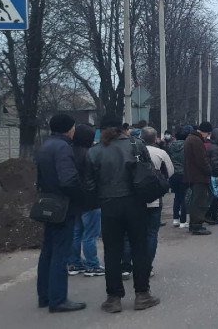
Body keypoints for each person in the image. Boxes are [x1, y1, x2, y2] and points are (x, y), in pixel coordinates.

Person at [85, 116, 159, 313]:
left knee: (112, 251)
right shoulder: (137, 144)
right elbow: (149, 171)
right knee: (139, 248)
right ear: (122, 128)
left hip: (109, 206)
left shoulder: (94, 151)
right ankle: (142, 295)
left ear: (101, 130)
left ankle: (113, 298)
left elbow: (89, 183)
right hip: (135, 204)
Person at [35, 114, 87, 313]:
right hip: (63, 207)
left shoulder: (45, 146)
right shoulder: (64, 148)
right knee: (60, 253)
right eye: (73, 127)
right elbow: (68, 180)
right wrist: (81, 196)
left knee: (47, 251)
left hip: (47, 203)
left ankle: (44, 296)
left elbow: (40, 178)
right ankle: (58, 299)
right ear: (68, 129)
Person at [122, 128, 174, 278]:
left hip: (132, 199)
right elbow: (169, 172)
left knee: (128, 234)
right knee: (151, 233)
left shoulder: (130, 150)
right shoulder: (161, 153)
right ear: (156, 138)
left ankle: (126, 267)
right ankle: (146, 266)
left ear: (141, 137)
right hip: (153, 199)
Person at [67, 124, 105, 278]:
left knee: (76, 233)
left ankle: (75, 263)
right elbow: (96, 178)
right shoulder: (89, 154)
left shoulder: (69, 152)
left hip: (74, 199)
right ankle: (92, 265)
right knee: (90, 234)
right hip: (91, 200)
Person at [184, 122, 214, 235]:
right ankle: (197, 225)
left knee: (195, 200)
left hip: (192, 175)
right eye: (209, 133)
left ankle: (194, 224)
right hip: (198, 176)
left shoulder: (190, 138)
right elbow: (202, 160)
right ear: (206, 131)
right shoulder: (196, 140)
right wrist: (209, 170)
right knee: (199, 201)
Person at [167, 127, 189, 228]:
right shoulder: (187, 146)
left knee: (177, 196)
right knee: (184, 197)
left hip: (173, 173)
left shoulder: (170, 146)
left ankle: (175, 219)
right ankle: (183, 221)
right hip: (184, 174)